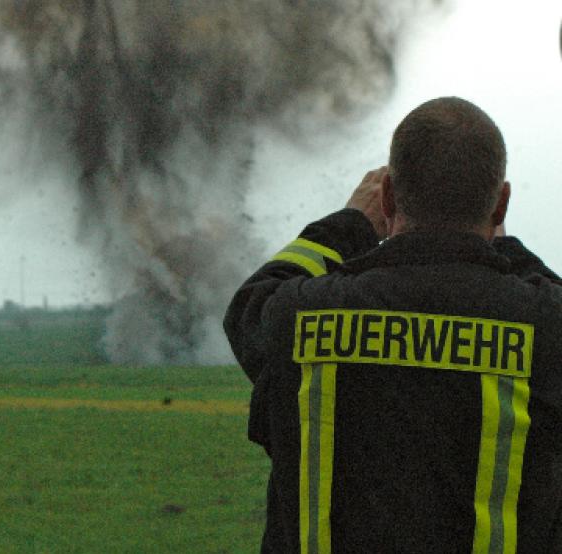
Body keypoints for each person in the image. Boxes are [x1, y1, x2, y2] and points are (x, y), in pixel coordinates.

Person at [223, 97, 562, 554]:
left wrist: (346, 226)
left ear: (385, 198)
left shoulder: (303, 316)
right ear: (500, 204)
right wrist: (504, 249)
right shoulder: (544, 325)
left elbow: (251, 300)